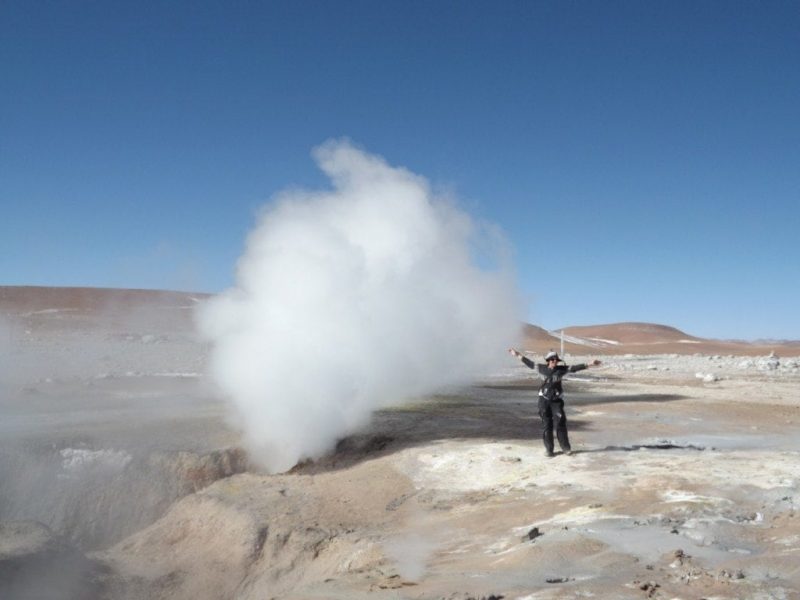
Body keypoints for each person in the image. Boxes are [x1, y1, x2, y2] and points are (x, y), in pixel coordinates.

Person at [508, 348, 601, 457]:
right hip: (544, 400)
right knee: (547, 425)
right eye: (552, 359)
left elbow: (575, 368)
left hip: (556, 401)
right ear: (547, 360)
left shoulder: (561, 369)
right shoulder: (540, 368)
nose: (554, 361)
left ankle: (566, 448)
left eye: (556, 360)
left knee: (560, 424)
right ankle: (549, 450)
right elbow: (528, 362)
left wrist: (590, 364)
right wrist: (517, 354)